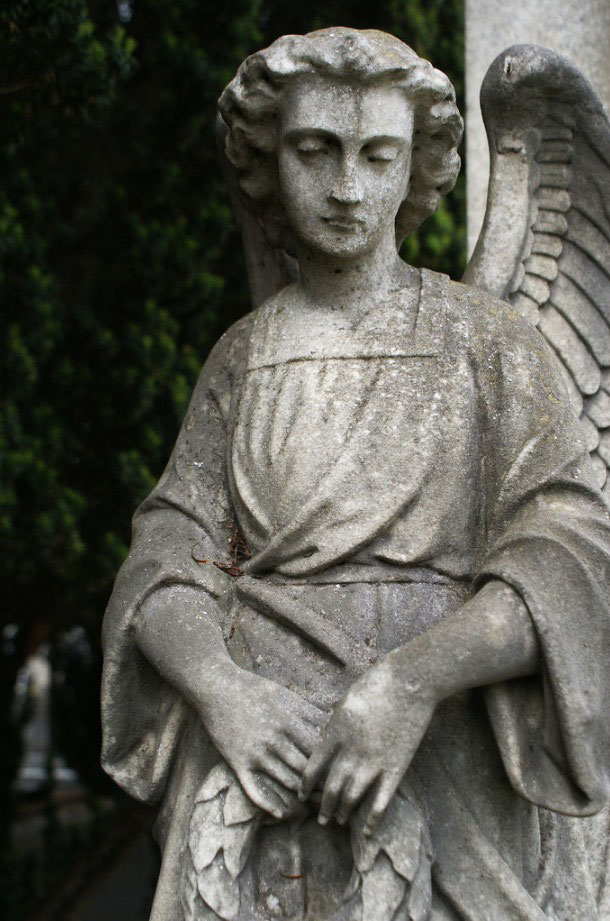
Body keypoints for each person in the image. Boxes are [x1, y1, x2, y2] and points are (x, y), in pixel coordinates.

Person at [101, 29, 610, 921]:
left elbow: (566, 559)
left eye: (378, 155)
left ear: (415, 166)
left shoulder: (489, 346)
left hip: (441, 760)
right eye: (315, 150)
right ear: (267, 158)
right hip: (255, 774)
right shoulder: (241, 357)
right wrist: (223, 692)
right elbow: (164, 561)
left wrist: (411, 681)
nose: (345, 187)